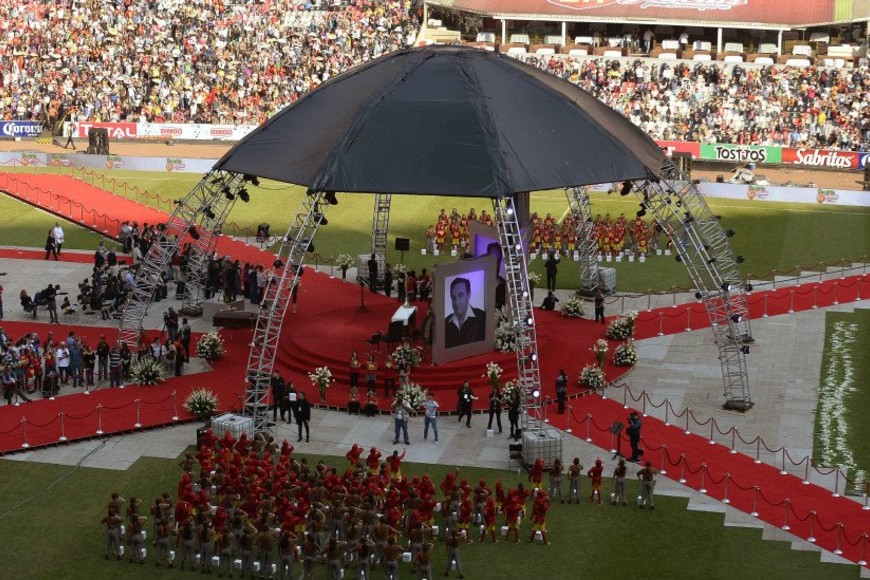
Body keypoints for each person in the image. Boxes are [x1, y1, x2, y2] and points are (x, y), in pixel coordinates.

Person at [444, 277, 486, 349]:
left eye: (460, 295)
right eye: (453, 297)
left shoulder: (482, 318)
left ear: (468, 295)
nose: (456, 302)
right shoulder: (445, 323)